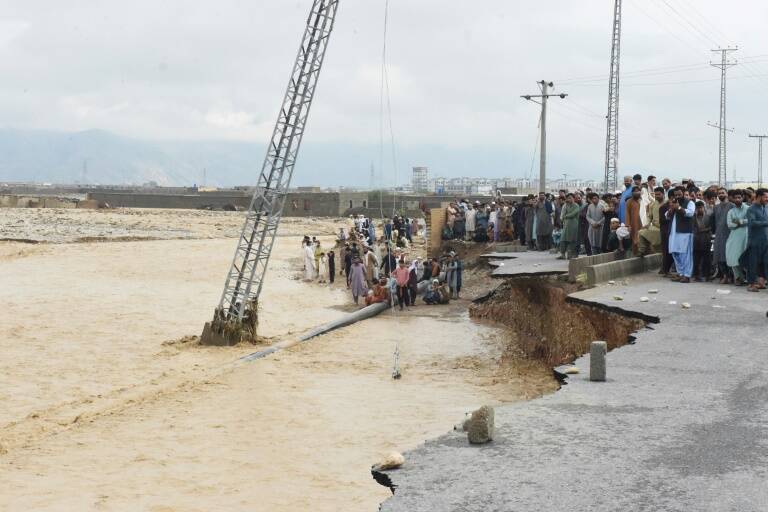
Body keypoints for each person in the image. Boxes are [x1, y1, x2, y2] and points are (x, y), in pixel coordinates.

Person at [667, 188, 695, 283]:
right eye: (676, 195)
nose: (677, 196)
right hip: (673, 233)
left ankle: (687, 275)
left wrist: (679, 208)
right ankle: (680, 273)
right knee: (675, 253)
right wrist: (671, 209)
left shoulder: (689, 203)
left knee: (685, 254)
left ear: (683, 194)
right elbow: (666, 215)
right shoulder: (673, 203)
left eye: (679, 194)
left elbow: (690, 213)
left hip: (685, 233)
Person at [745, 189, 768, 292]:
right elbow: (752, 223)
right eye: (765, 197)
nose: (767, 199)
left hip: (765, 241)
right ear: (759, 197)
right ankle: (751, 284)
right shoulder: (751, 209)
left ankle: (761, 282)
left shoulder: (766, 208)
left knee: (764, 263)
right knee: (752, 263)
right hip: (754, 242)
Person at [726, 190, 749, 285]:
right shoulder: (731, 211)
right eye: (735, 198)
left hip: (746, 236)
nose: (737, 199)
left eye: (739, 197)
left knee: (747, 257)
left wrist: (738, 222)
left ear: (742, 197)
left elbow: (750, 220)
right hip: (734, 237)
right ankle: (738, 278)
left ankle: (751, 279)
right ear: (732, 199)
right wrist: (742, 222)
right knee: (733, 257)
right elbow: (730, 225)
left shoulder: (748, 209)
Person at [712, 188, 734, 283]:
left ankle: (731, 276)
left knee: (728, 256)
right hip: (719, 234)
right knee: (719, 256)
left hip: (729, 234)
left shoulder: (732, 206)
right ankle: (724, 275)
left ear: (727, 194)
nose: (721, 194)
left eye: (722, 193)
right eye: (719, 193)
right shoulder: (716, 207)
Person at [637, 187, 664, 256]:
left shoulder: (667, 203)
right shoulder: (653, 204)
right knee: (641, 232)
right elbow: (649, 217)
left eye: (659, 194)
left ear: (663, 194)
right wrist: (648, 224)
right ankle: (642, 251)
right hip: (655, 227)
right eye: (656, 195)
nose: (657, 196)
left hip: (664, 228)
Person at [692, 201, 713, 282]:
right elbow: (693, 228)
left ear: (704, 208)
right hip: (696, 241)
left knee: (707, 260)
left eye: (701, 207)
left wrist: (703, 230)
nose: (699, 209)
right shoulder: (693, 217)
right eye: (698, 208)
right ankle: (696, 275)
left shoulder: (708, 216)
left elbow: (711, 227)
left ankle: (707, 276)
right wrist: (701, 230)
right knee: (696, 259)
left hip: (706, 241)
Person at [558, 193, 580, 259]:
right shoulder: (566, 205)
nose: (569, 199)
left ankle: (571, 254)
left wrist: (566, 216)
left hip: (573, 225)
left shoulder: (576, 205)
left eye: (570, 198)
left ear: (573, 198)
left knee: (572, 240)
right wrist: (565, 216)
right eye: (568, 198)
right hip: (566, 224)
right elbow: (563, 214)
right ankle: (562, 254)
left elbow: (572, 214)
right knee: (563, 240)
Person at [658, 189, 675, 276]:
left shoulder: (677, 206)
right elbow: (663, 220)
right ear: (672, 197)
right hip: (666, 232)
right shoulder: (663, 208)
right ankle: (665, 270)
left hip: (673, 232)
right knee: (666, 251)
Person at [625, 186, 643, 255]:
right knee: (635, 240)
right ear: (632, 193)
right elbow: (627, 213)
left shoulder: (642, 200)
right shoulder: (629, 201)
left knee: (642, 238)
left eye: (638, 191)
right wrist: (628, 225)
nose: (636, 192)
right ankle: (635, 254)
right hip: (634, 224)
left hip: (642, 223)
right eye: (635, 191)